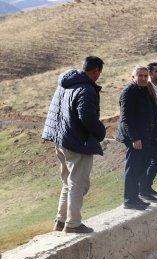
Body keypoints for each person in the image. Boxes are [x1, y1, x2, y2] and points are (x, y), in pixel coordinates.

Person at [42, 56, 106, 233]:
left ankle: (60, 221)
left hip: (61, 139)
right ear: (95, 71)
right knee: (78, 183)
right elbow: (86, 116)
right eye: (99, 72)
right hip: (77, 142)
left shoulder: (66, 83)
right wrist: (101, 131)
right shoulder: (85, 89)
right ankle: (73, 223)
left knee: (68, 182)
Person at [116, 66, 157, 210]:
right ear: (133, 77)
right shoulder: (129, 92)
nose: (143, 78)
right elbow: (126, 118)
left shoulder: (144, 90)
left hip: (145, 135)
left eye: (145, 76)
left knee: (142, 165)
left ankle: (136, 197)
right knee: (133, 168)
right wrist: (134, 138)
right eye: (140, 75)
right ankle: (129, 200)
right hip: (134, 138)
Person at [143, 62, 157, 197]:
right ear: (150, 73)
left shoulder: (156, 89)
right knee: (151, 159)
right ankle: (143, 189)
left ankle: (147, 186)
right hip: (149, 130)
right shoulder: (148, 88)